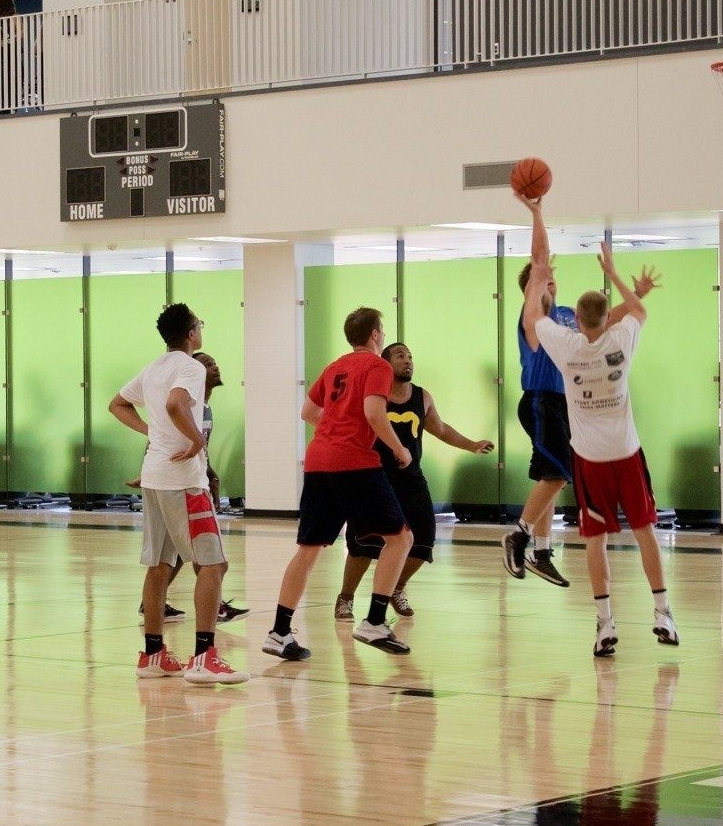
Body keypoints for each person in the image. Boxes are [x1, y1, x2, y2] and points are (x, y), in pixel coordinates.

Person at [523, 242, 676, 657]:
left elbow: (534, 318)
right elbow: (636, 313)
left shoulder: (567, 345)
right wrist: (617, 276)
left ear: (578, 319)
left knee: (596, 540)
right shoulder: (621, 340)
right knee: (644, 531)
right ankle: (662, 612)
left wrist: (538, 276)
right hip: (626, 453)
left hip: (590, 460)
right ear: (607, 318)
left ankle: (605, 624)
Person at [503, 194, 655, 587]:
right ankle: (519, 535)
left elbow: (608, 318)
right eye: (543, 280)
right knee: (561, 471)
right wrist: (537, 214)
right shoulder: (536, 317)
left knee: (554, 476)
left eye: (553, 278)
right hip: (539, 401)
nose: (550, 280)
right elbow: (539, 264)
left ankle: (540, 550)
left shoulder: (569, 314)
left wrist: (638, 296)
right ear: (532, 292)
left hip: (562, 404)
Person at [264, 307, 415, 661]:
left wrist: (335, 428)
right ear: (376, 334)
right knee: (401, 538)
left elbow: (309, 413)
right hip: (354, 462)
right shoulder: (377, 366)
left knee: (309, 548)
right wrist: (399, 448)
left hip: (319, 462)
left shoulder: (335, 367)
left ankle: (279, 632)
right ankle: (375, 621)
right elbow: (375, 413)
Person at [110, 304, 248, 684]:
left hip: (156, 476)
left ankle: (153, 656)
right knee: (212, 565)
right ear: (191, 333)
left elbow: (117, 404)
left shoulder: (154, 366)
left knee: (159, 566)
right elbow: (174, 404)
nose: (201, 329)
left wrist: (150, 433)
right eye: (199, 324)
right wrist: (193, 440)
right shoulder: (191, 366)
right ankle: (204, 658)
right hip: (183, 480)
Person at [334, 342, 494, 621]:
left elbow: (441, 430)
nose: (407, 360)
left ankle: (396, 587)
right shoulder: (374, 395)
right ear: (385, 363)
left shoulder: (422, 397)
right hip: (374, 479)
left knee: (424, 541)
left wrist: (472, 445)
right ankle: (346, 597)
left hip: (411, 480)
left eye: (410, 356)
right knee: (364, 544)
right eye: (400, 355)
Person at [131, 350, 249, 625]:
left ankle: (154, 644)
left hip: (180, 478)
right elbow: (167, 432)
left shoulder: (205, 407)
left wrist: (209, 473)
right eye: (208, 364)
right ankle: (206, 642)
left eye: (215, 362)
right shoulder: (184, 393)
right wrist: (147, 470)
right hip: (178, 481)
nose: (215, 367)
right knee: (210, 561)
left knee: (173, 559)